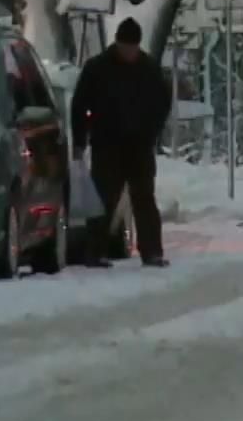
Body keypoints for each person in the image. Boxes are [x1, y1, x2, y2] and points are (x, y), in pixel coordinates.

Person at [70, 18, 171, 268]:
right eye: (126, 47)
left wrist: (153, 131)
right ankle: (94, 252)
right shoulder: (97, 69)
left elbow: (162, 103)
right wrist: (80, 139)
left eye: (133, 47)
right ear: (117, 43)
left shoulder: (149, 69)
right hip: (107, 145)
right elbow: (79, 105)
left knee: (144, 199)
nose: (130, 52)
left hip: (139, 145)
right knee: (103, 199)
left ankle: (152, 252)